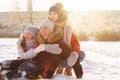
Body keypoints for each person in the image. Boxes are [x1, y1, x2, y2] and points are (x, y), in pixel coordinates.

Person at [47, 3, 84, 78]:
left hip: (66, 52)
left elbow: (75, 42)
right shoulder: (48, 25)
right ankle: (57, 70)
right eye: (50, 14)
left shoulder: (67, 27)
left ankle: (71, 70)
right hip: (54, 53)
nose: (52, 16)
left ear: (59, 14)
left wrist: (75, 53)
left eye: (54, 14)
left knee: (81, 54)